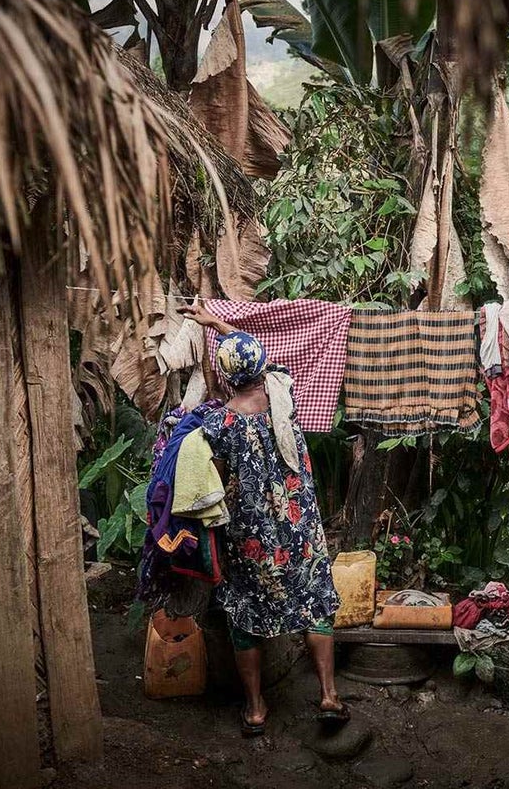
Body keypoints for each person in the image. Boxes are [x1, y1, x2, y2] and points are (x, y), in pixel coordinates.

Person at [177, 301, 347, 737]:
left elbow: (210, 478)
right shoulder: (282, 390)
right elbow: (255, 355)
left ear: (226, 375)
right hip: (299, 527)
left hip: (250, 535)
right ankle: (328, 695)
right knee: (314, 601)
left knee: (244, 613)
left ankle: (255, 709)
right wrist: (218, 324)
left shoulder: (218, 423)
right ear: (259, 367)